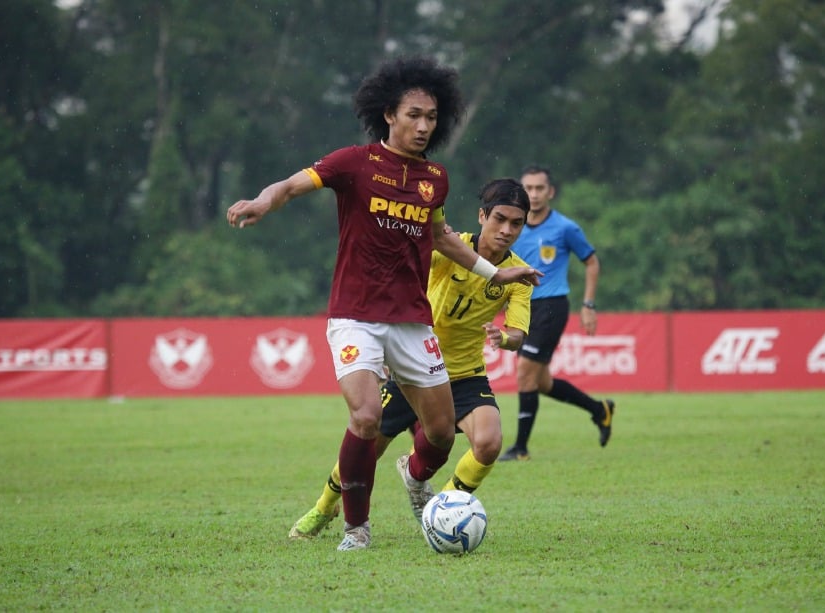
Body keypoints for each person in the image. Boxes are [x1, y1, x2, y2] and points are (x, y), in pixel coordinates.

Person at [226, 57, 539, 551]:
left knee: (439, 435)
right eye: (414, 114)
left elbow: (440, 236)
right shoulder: (353, 162)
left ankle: (415, 480)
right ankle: (356, 528)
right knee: (367, 417)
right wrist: (266, 201)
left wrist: (495, 274)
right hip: (355, 316)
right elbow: (290, 184)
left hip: (413, 323)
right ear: (389, 114)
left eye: (432, 117)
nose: (423, 126)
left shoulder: (435, 178)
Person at [288, 177, 533, 540]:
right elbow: (404, 264)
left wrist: (506, 339)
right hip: (414, 368)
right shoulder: (450, 248)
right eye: (500, 219)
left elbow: (518, 334)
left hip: (466, 375)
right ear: (482, 216)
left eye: (516, 223)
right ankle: (324, 506)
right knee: (365, 448)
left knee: (489, 442)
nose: (506, 230)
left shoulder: (519, 274)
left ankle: (443, 509)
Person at [498, 165, 614, 462]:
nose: (534, 194)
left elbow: (591, 262)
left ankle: (520, 448)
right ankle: (599, 410)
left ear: (550, 192)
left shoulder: (565, 228)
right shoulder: (513, 226)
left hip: (551, 306)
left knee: (524, 374)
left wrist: (588, 304)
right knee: (542, 382)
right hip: (521, 308)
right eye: (528, 189)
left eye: (539, 188)